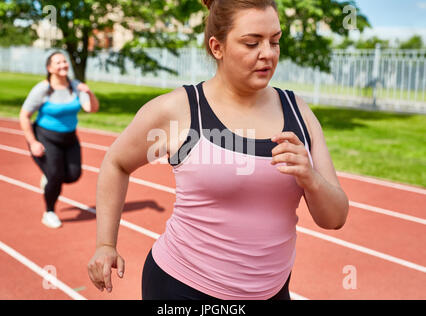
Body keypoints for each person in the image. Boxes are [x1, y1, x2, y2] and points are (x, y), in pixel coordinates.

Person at [87, 0, 349, 300]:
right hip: (183, 288)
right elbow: (116, 162)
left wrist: (311, 179)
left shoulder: (297, 111)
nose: (268, 54)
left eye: (275, 41)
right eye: (252, 43)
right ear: (217, 47)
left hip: (272, 292)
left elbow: (335, 218)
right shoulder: (180, 109)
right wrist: (106, 244)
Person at [19, 51, 99, 228]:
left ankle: (49, 179)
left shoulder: (76, 86)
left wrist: (89, 93)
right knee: (56, 176)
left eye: (64, 61)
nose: (63, 65)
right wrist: (33, 143)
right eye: (58, 63)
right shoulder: (42, 89)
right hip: (45, 137)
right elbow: (24, 116)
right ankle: (49, 212)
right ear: (49, 68)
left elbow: (91, 109)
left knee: (73, 175)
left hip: (69, 138)